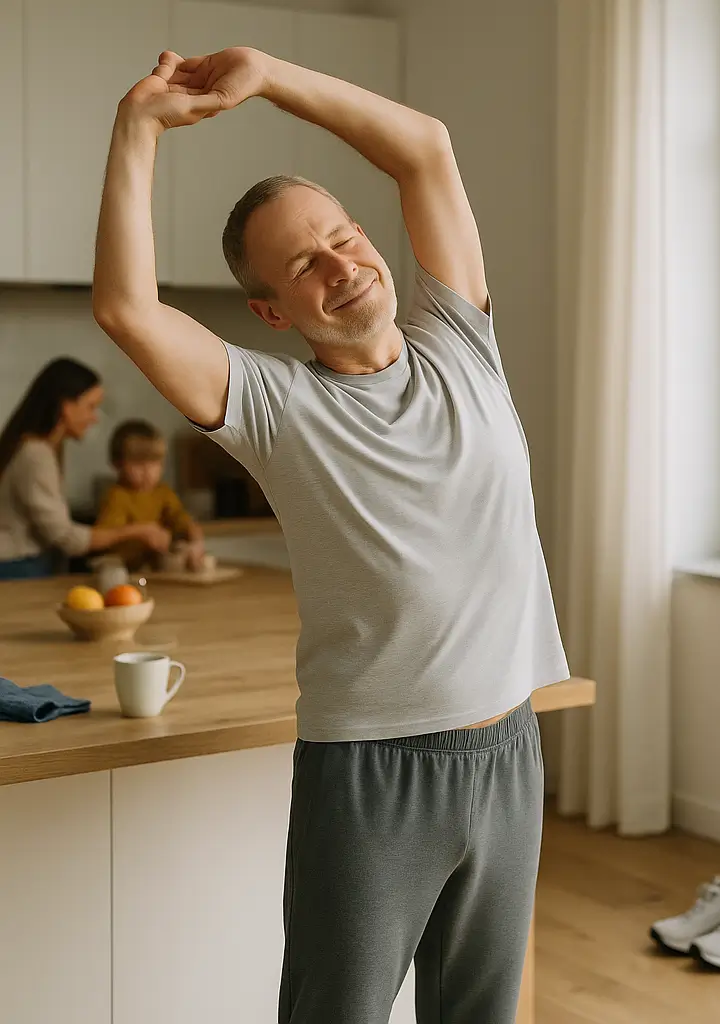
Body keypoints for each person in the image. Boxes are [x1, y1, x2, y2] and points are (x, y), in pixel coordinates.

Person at [93, 47, 569, 1024]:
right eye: (304, 263)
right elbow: (125, 308)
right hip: (373, 769)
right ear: (273, 309)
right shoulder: (273, 402)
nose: (340, 264)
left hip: (509, 746)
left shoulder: (463, 342)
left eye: (345, 237)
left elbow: (425, 151)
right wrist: (136, 129)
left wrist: (266, 76)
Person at [0, 359, 172, 580]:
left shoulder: (37, 448)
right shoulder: (36, 454)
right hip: (18, 568)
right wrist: (139, 531)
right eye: (90, 406)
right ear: (66, 406)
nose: (94, 417)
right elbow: (66, 538)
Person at [95, 419, 205, 572]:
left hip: (155, 564)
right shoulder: (116, 496)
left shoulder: (162, 492)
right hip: (126, 566)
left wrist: (195, 538)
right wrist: (143, 533)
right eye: (138, 463)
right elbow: (107, 537)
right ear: (117, 463)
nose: (147, 471)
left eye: (154, 463)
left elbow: (180, 518)